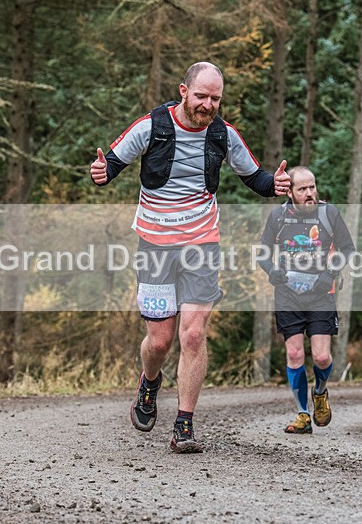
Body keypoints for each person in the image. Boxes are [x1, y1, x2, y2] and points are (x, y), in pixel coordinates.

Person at [90, 62, 290, 453]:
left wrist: (275, 185)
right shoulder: (151, 126)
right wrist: (101, 171)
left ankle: (184, 424)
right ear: (184, 91)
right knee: (160, 341)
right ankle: (150, 382)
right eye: (201, 96)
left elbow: (255, 178)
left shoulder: (223, 134)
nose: (208, 105)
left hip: (202, 241)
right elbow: (112, 163)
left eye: (216, 98)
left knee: (194, 334)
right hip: (154, 245)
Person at [258, 166, 355, 434]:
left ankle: (320, 393)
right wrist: (273, 272)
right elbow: (263, 254)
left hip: (322, 294)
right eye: (303, 189)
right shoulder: (277, 217)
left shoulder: (329, 213)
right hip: (288, 294)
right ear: (289, 192)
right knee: (294, 353)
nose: (310, 193)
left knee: (322, 358)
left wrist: (331, 273)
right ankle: (302, 414)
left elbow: (348, 249)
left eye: (312, 187)